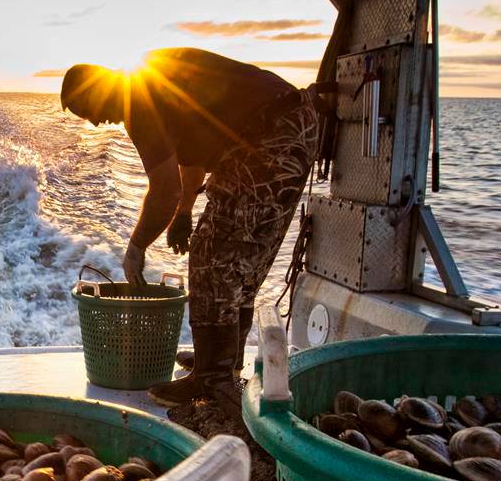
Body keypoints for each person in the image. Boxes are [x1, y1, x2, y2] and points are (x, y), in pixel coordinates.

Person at [61, 48, 322, 409]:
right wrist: (184, 212)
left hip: (269, 137)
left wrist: (136, 248)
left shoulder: (138, 101)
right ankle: (221, 363)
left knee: (212, 255)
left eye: (83, 109)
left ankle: (212, 378)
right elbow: (195, 156)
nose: (92, 122)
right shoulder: (153, 83)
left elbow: (163, 190)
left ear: (97, 88)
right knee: (240, 256)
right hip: (297, 126)